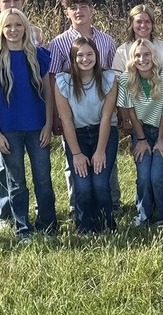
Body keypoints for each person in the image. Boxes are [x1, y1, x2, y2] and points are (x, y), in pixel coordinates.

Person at [0, 8, 57, 241]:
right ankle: (22, 227)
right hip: (8, 130)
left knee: (43, 178)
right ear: (0, 29)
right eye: (8, 26)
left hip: (37, 128)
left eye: (18, 25)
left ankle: (48, 225)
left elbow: (49, 93)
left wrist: (48, 125)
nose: (13, 30)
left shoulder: (39, 55)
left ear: (25, 28)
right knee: (16, 182)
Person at [0, 0, 43, 228]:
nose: (12, 4)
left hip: (30, 110)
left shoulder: (35, 33)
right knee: (2, 166)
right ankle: (3, 212)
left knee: (39, 169)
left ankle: (37, 208)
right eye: (7, 1)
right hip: (3, 113)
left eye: (16, 0)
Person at [47, 0, 120, 214]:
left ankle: (112, 203)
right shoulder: (58, 43)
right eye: (73, 8)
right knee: (74, 164)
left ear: (92, 10)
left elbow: (113, 75)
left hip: (102, 113)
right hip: (73, 116)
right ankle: (77, 206)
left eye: (83, 7)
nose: (79, 11)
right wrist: (56, 117)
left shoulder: (106, 40)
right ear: (66, 13)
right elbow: (53, 79)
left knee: (107, 163)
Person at [54, 38, 119, 233]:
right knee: (82, 186)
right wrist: (76, 154)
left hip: (103, 133)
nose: (85, 59)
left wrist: (100, 151)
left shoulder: (108, 79)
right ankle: (84, 228)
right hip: (77, 136)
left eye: (89, 54)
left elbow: (107, 117)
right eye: (80, 55)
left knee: (100, 184)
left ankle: (106, 226)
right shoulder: (63, 81)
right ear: (73, 58)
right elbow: (66, 120)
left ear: (96, 56)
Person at [118, 40, 163, 226]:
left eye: (146, 54)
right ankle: (143, 215)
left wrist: (161, 139)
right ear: (132, 58)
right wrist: (140, 139)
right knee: (144, 176)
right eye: (137, 55)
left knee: (157, 176)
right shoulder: (126, 78)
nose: (142, 59)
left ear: (153, 56)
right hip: (141, 130)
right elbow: (130, 111)